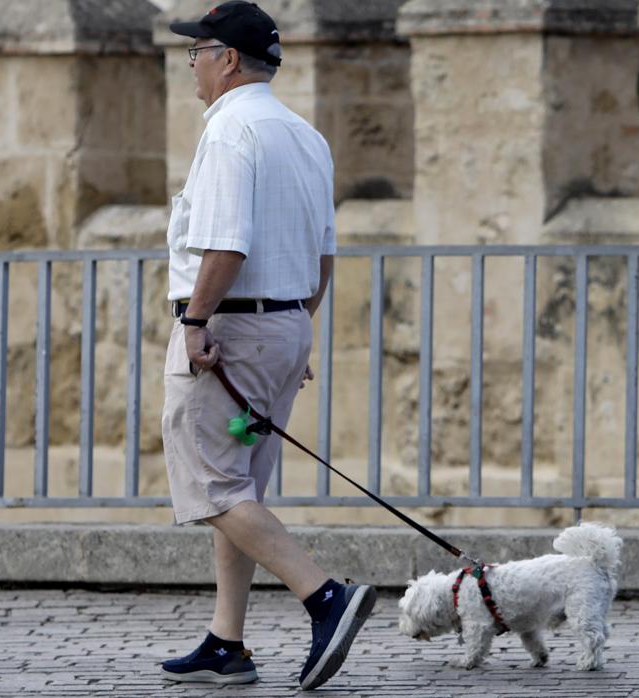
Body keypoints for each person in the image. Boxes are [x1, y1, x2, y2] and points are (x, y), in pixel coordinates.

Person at [159, 1, 375, 690]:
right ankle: (227, 642)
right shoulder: (305, 135)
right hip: (284, 325)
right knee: (241, 483)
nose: (190, 62)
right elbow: (324, 253)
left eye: (197, 50)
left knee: (211, 484)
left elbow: (226, 243)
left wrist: (195, 324)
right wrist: (296, 328)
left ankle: (325, 597)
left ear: (226, 59)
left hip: (229, 332)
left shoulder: (229, 132)